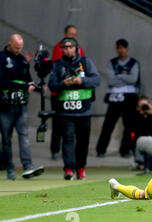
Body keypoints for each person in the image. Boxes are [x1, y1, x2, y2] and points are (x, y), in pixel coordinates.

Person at [48, 37, 101, 180]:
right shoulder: (57, 65)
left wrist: (81, 80)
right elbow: (52, 85)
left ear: (76, 48)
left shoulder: (86, 62)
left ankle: (81, 168)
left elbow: (97, 80)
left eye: (70, 47)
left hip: (84, 110)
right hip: (65, 110)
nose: (67, 50)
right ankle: (69, 169)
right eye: (64, 48)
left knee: (83, 142)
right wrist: (63, 83)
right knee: (68, 140)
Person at [0, 34, 45, 180]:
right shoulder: (1, 58)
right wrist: (24, 86)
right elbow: (2, 82)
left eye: (21, 48)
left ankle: (28, 166)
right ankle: (9, 169)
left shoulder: (22, 60)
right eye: (16, 47)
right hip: (5, 106)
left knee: (24, 136)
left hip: (21, 106)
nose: (19, 50)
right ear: (10, 44)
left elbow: (28, 80)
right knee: (6, 139)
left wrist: (36, 87)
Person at [96, 39, 140, 158]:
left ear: (127, 49)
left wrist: (119, 76)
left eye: (123, 48)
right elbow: (111, 80)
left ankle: (125, 150)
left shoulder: (134, 63)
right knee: (108, 124)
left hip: (129, 97)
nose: (121, 50)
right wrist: (125, 76)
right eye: (119, 48)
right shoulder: (112, 62)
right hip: (114, 97)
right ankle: (101, 149)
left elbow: (133, 79)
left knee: (129, 125)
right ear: (116, 49)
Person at [50, 25, 86, 160]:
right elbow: (58, 68)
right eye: (71, 34)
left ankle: (71, 153)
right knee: (58, 124)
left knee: (75, 128)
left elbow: (83, 68)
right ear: (65, 34)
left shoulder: (79, 48)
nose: (73, 37)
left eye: (75, 34)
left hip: (76, 95)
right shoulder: (59, 48)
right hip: (60, 94)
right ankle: (54, 150)